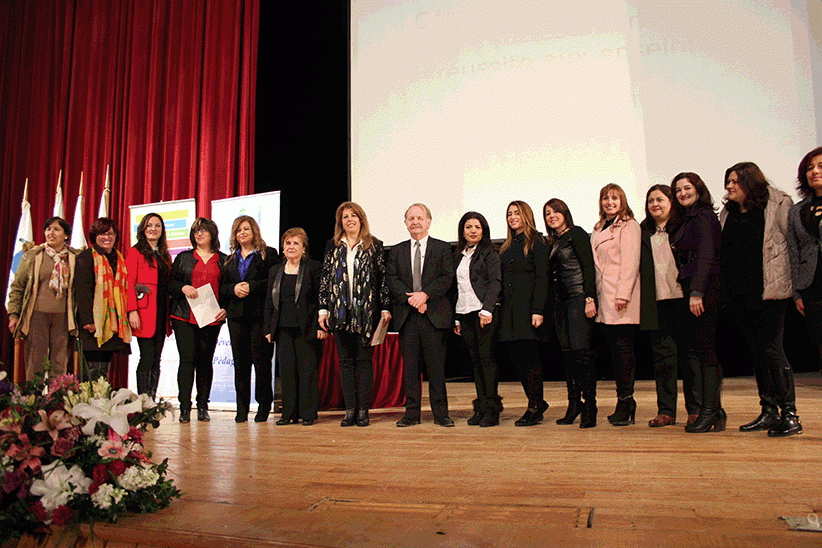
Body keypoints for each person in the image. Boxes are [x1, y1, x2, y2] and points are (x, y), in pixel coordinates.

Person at [721, 162, 801, 437]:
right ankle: (769, 411)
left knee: (772, 350)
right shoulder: (728, 213)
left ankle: (790, 415)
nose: (729, 186)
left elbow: (791, 245)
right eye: (728, 182)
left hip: (770, 293)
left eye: (735, 181)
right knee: (757, 353)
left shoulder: (778, 204)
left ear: (750, 182)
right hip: (740, 295)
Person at [318, 202, 391, 427]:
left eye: (353, 216)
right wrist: (323, 309)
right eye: (345, 216)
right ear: (340, 222)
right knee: (346, 363)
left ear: (361, 219)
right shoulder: (332, 246)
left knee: (364, 362)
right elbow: (325, 278)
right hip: (339, 313)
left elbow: (382, 279)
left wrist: (385, 308)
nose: (349, 219)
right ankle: (350, 410)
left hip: (367, 314)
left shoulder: (374, 245)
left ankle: (363, 411)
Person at [387, 203, 455, 427]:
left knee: (436, 369)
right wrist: (412, 300)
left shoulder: (442, 248)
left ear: (428, 221)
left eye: (419, 218)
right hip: (408, 317)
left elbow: (447, 278)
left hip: (434, 316)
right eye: (411, 218)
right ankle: (411, 414)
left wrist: (425, 295)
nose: (415, 222)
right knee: (410, 370)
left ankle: (441, 414)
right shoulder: (396, 251)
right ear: (405, 223)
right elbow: (392, 279)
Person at [640, 186, 701, 427]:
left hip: (683, 298)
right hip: (656, 301)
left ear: (671, 202)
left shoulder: (683, 227)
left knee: (689, 355)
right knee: (662, 357)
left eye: (660, 200)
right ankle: (666, 411)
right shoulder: (643, 231)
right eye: (651, 201)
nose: (655, 204)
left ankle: (695, 409)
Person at [670, 172, 725, 433]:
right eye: (678, 190)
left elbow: (705, 255)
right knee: (701, 348)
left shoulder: (703, 216)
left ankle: (710, 411)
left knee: (706, 349)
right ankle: (715, 410)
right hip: (693, 284)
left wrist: (697, 292)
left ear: (698, 189)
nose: (682, 193)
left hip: (704, 287)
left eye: (687, 188)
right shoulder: (687, 217)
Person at [544, 199, 598, 428]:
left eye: (555, 211)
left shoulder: (577, 234)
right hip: (560, 303)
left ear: (565, 213)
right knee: (567, 355)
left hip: (578, 298)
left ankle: (590, 405)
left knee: (581, 353)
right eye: (547, 213)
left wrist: (589, 298)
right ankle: (574, 403)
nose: (552, 216)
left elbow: (588, 266)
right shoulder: (554, 242)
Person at [591, 184, 641, 426]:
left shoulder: (629, 226)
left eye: (614, 198)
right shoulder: (599, 227)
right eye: (605, 198)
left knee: (624, 352)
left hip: (621, 298)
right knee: (614, 353)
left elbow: (631, 262)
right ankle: (623, 400)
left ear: (622, 201)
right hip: (604, 297)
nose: (609, 202)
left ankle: (626, 401)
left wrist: (623, 294)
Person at [169, 218, 227, 423]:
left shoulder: (224, 260)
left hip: (211, 317)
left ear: (213, 233)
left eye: (203, 230)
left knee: (205, 362)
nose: (199, 234)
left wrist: (225, 309)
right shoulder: (183, 257)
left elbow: (228, 289)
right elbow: (171, 283)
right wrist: (182, 287)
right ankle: (184, 408)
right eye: (196, 231)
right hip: (184, 316)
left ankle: (203, 406)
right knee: (187, 361)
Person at [265, 228, 324, 426]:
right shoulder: (275, 270)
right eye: (287, 243)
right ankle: (288, 413)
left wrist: (322, 326)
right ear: (282, 247)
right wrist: (268, 329)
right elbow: (269, 302)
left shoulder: (313, 268)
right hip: (282, 328)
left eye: (296, 243)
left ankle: (307, 414)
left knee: (307, 372)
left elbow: (320, 299)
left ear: (304, 248)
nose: (291, 247)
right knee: (287, 372)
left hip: (307, 328)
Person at [221, 215, 278, 423]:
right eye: (238, 230)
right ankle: (242, 408)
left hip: (260, 316)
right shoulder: (229, 260)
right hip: (236, 317)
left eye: (246, 229)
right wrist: (233, 289)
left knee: (261, 363)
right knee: (241, 365)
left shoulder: (268, 254)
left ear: (254, 231)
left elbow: (274, 282)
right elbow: (222, 288)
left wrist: (252, 287)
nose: (242, 233)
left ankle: (263, 406)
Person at [7, 216, 78, 380]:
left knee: (59, 363)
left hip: (63, 319)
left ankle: (56, 395)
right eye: (48, 229)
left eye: (56, 229)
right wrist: (13, 315)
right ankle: (34, 395)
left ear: (66, 235)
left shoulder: (74, 257)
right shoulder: (32, 255)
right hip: (36, 316)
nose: (51, 233)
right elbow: (17, 287)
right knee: (35, 362)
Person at [498, 200, 549, 427]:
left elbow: (542, 278)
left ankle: (535, 406)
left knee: (530, 359)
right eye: (509, 213)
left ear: (526, 215)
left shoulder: (537, 242)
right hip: (509, 312)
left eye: (517, 213)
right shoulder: (506, 247)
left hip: (528, 310)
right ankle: (537, 401)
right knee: (517, 358)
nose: (512, 217)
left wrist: (538, 310)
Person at [452, 211, 502, 427]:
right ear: (462, 231)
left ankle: (492, 410)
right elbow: (456, 288)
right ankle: (480, 407)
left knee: (487, 361)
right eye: (468, 227)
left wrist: (487, 310)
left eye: (477, 227)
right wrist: (456, 318)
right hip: (464, 313)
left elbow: (495, 282)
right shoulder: (458, 254)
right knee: (475, 362)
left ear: (484, 231)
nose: (473, 231)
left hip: (484, 313)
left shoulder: (490, 252)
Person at [75, 217, 132, 381]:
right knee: (91, 374)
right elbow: (83, 292)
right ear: (95, 236)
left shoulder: (120, 258)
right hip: (94, 324)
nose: (107, 237)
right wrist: (88, 321)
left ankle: (102, 397)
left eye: (110, 234)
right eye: (102, 234)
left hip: (112, 323)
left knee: (104, 372)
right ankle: (91, 398)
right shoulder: (85, 258)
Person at [126, 213, 171, 399]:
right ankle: (143, 400)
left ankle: (151, 399)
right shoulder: (135, 252)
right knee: (147, 357)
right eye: (149, 225)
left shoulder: (164, 254)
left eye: (157, 225)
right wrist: (132, 311)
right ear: (143, 229)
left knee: (156, 359)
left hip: (162, 313)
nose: (153, 229)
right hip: (144, 312)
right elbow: (129, 283)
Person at [788, 147, 822, 381]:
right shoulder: (797, 210)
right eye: (810, 168)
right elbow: (793, 251)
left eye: (820, 166)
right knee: (818, 335)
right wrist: (796, 293)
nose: (815, 172)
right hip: (811, 281)